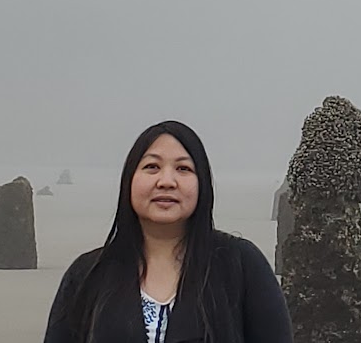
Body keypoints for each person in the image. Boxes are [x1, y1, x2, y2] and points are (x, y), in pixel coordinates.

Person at [43, 121, 292, 343]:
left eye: (183, 169)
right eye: (152, 167)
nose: (166, 181)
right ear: (129, 180)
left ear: (202, 184)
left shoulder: (241, 265)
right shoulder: (88, 275)